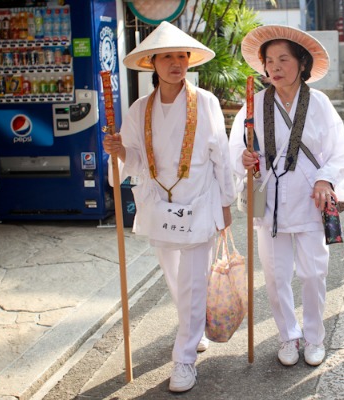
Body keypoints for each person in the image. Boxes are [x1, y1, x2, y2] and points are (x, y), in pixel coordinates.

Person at [102, 21, 236, 393]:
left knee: (193, 282)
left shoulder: (205, 102)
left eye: (182, 56)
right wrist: (118, 152)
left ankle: (184, 359)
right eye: (168, 57)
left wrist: (225, 203)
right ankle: (193, 330)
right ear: (153, 63)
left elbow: (220, 157)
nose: (176, 63)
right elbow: (131, 159)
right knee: (176, 280)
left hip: (199, 200)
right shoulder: (138, 109)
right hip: (159, 204)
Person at [230, 25, 344, 367]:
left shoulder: (319, 103)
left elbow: (339, 151)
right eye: (269, 60)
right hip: (270, 203)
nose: (275, 67)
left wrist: (326, 180)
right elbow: (236, 150)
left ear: (301, 63)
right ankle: (288, 336)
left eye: (284, 58)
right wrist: (244, 160)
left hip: (310, 201)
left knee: (314, 273)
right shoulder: (253, 105)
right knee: (275, 274)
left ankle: (314, 337)